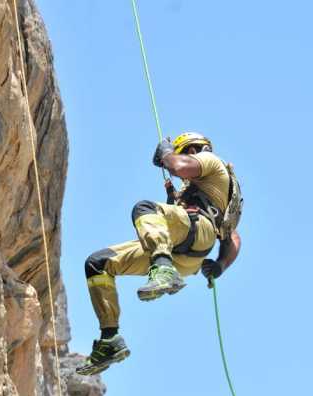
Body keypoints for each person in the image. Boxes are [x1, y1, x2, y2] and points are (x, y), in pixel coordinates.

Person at [76, 132, 242, 375]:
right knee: (98, 263)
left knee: (145, 208)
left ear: (192, 150)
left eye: (182, 152)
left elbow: (178, 166)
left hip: (196, 231)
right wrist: (219, 265)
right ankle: (109, 338)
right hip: (187, 256)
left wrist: (166, 154)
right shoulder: (208, 191)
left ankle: (162, 268)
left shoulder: (210, 160)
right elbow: (233, 237)